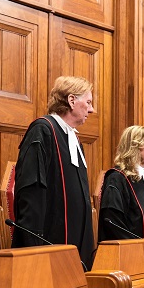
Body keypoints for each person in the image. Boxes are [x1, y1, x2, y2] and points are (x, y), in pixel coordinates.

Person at [13, 76, 96, 267]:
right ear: (72, 100)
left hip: (76, 246)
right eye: (88, 102)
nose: (91, 110)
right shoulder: (43, 130)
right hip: (47, 247)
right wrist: (33, 246)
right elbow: (31, 192)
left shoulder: (74, 140)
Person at [98, 126, 144, 257]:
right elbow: (113, 223)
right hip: (134, 259)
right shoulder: (117, 178)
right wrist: (138, 251)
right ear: (133, 146)